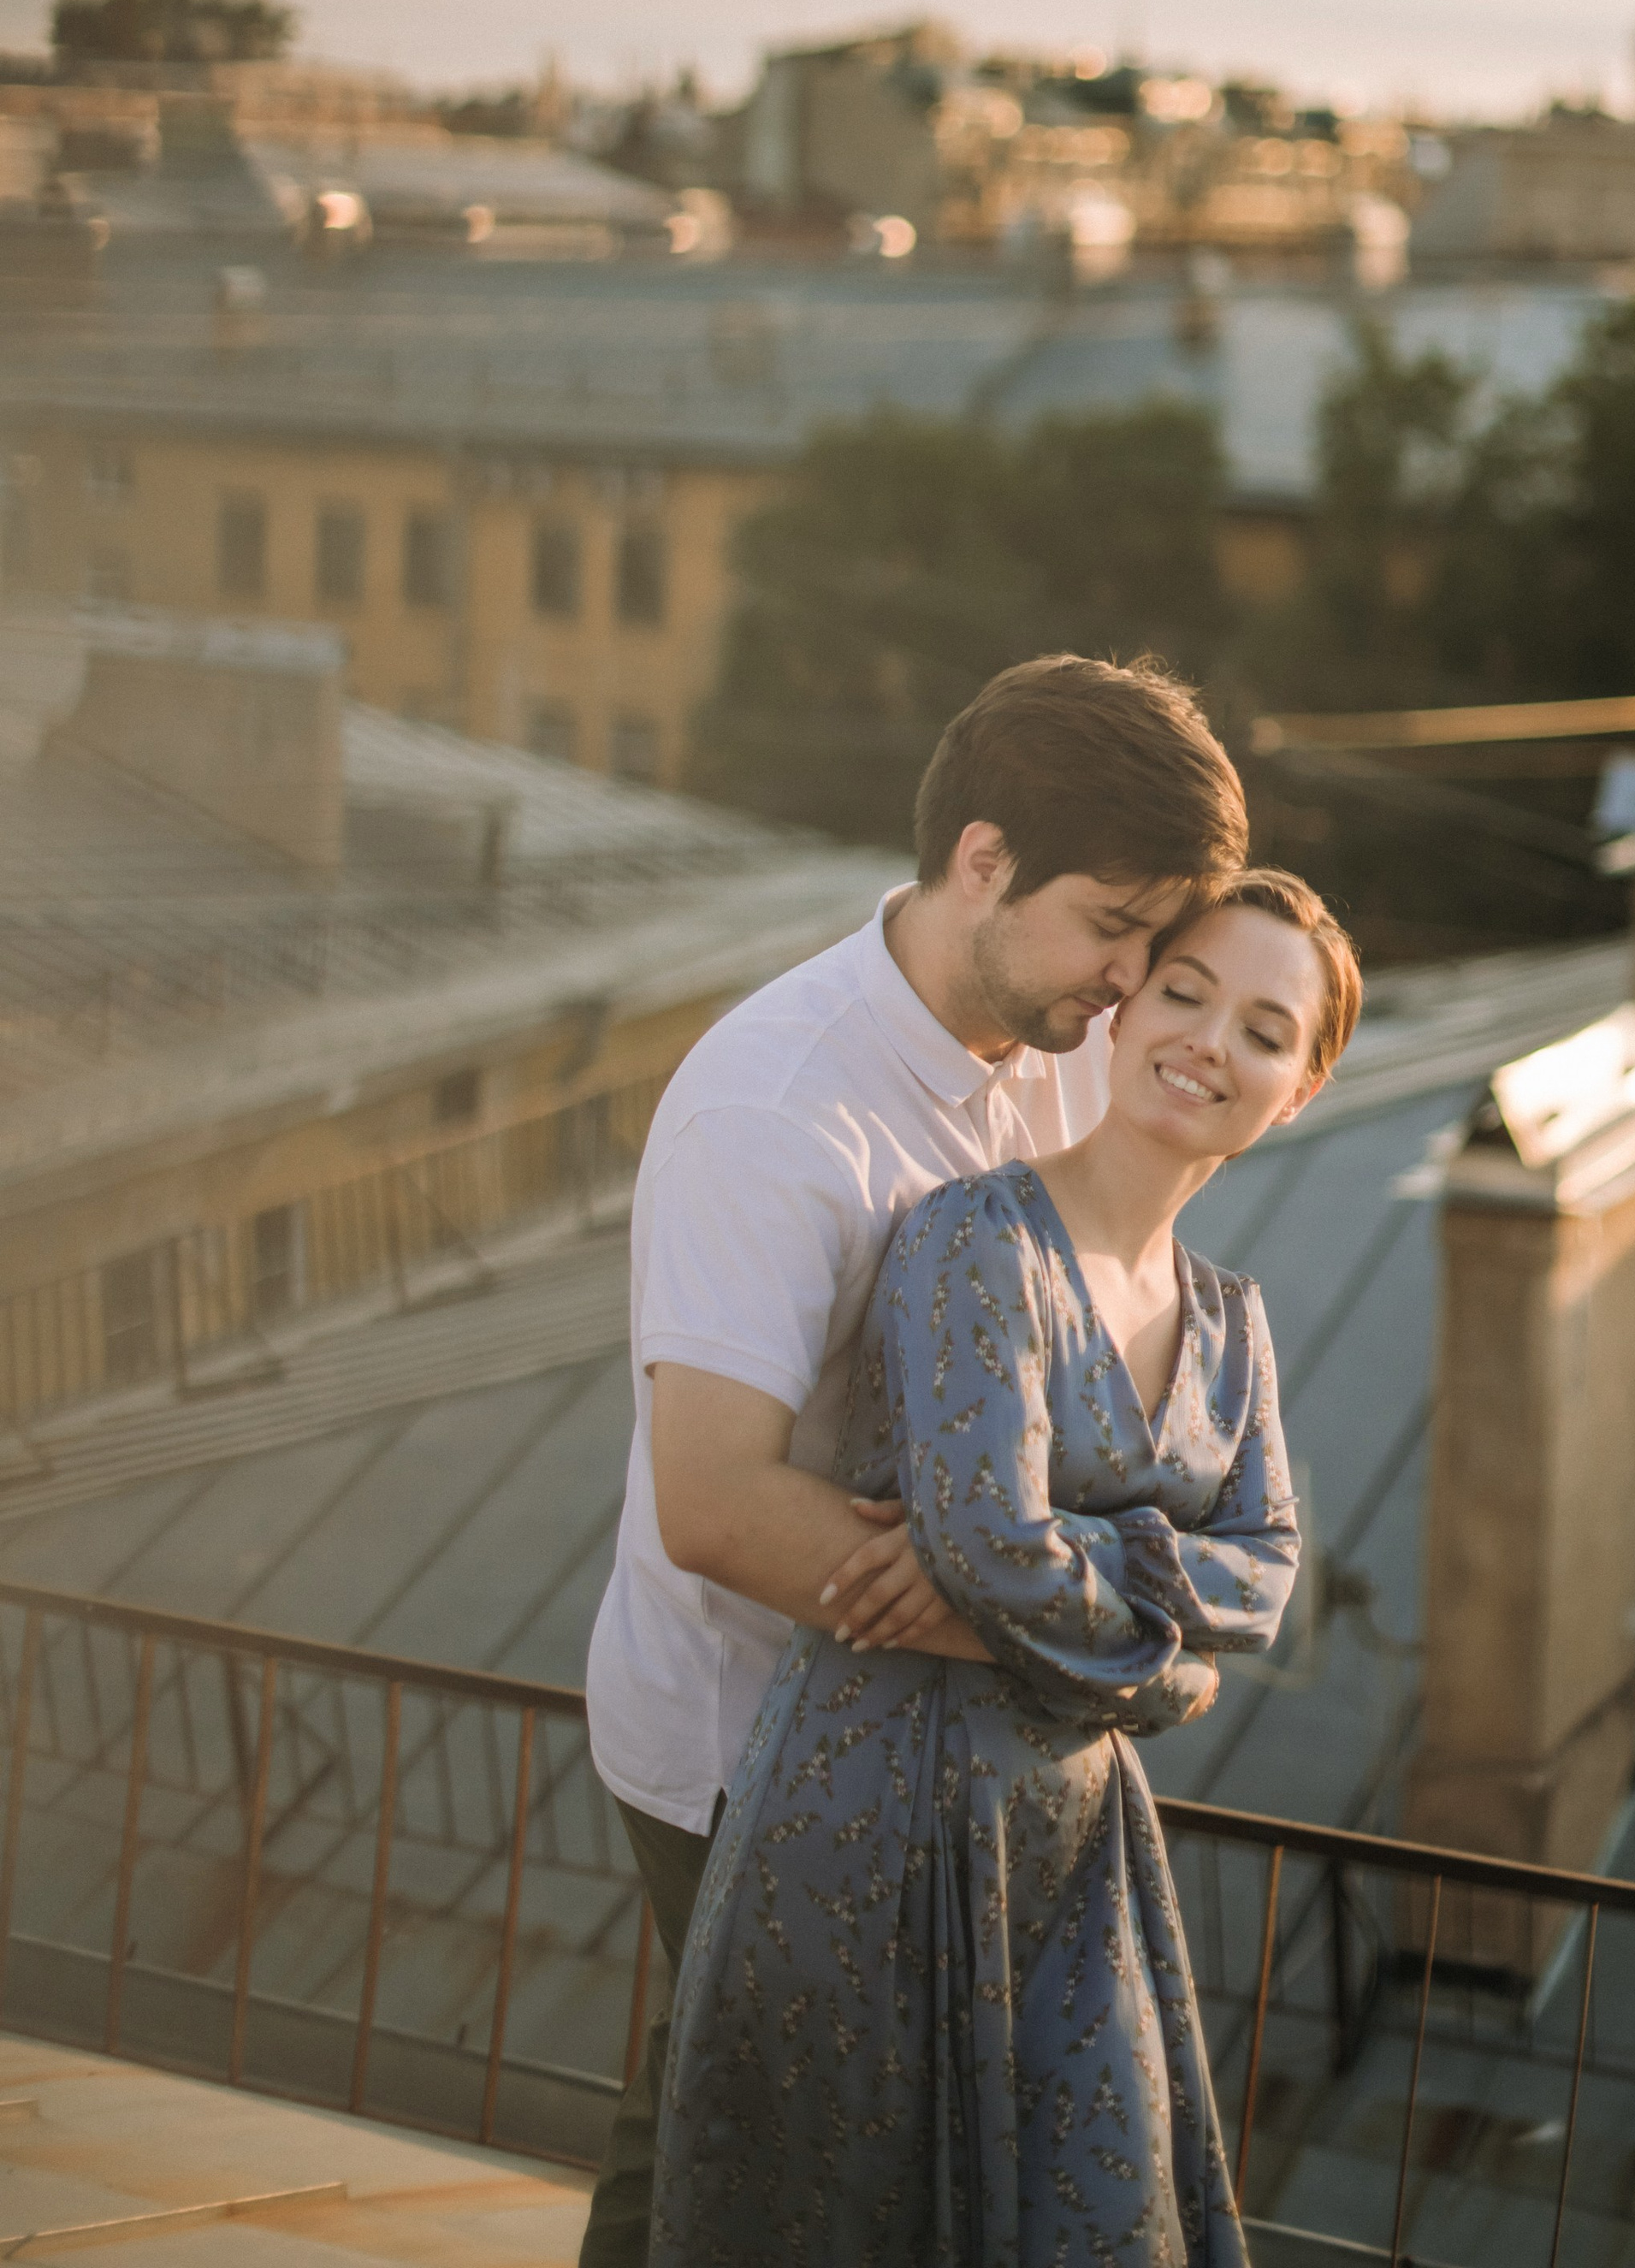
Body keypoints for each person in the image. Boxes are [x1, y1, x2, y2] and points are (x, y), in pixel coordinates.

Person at [578, 655, 1251, 2268]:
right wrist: (1053, 1627)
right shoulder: (776, 1108)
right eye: (1112, 927)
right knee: (748, 2158)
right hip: (746, 1739)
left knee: (796, 2152)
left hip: (952, 1741)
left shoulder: (1066, 1041)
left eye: (1156, 939)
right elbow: (712, 1504)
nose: (1133, 980)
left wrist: (1048, 1589)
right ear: (983, 861)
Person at [652, 868, 1362, 2268]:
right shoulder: (974, 1237)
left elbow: (1268, 1576)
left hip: (1073, 1844)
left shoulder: (1233, 1324)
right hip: (874, 1813)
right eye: (1184, 992)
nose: (1210, 1041)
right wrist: (1168, 1671)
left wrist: (1078, 1583)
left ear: (1301, 1092)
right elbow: (991, 1544)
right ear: (1124, 1010)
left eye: (1265, 1031)